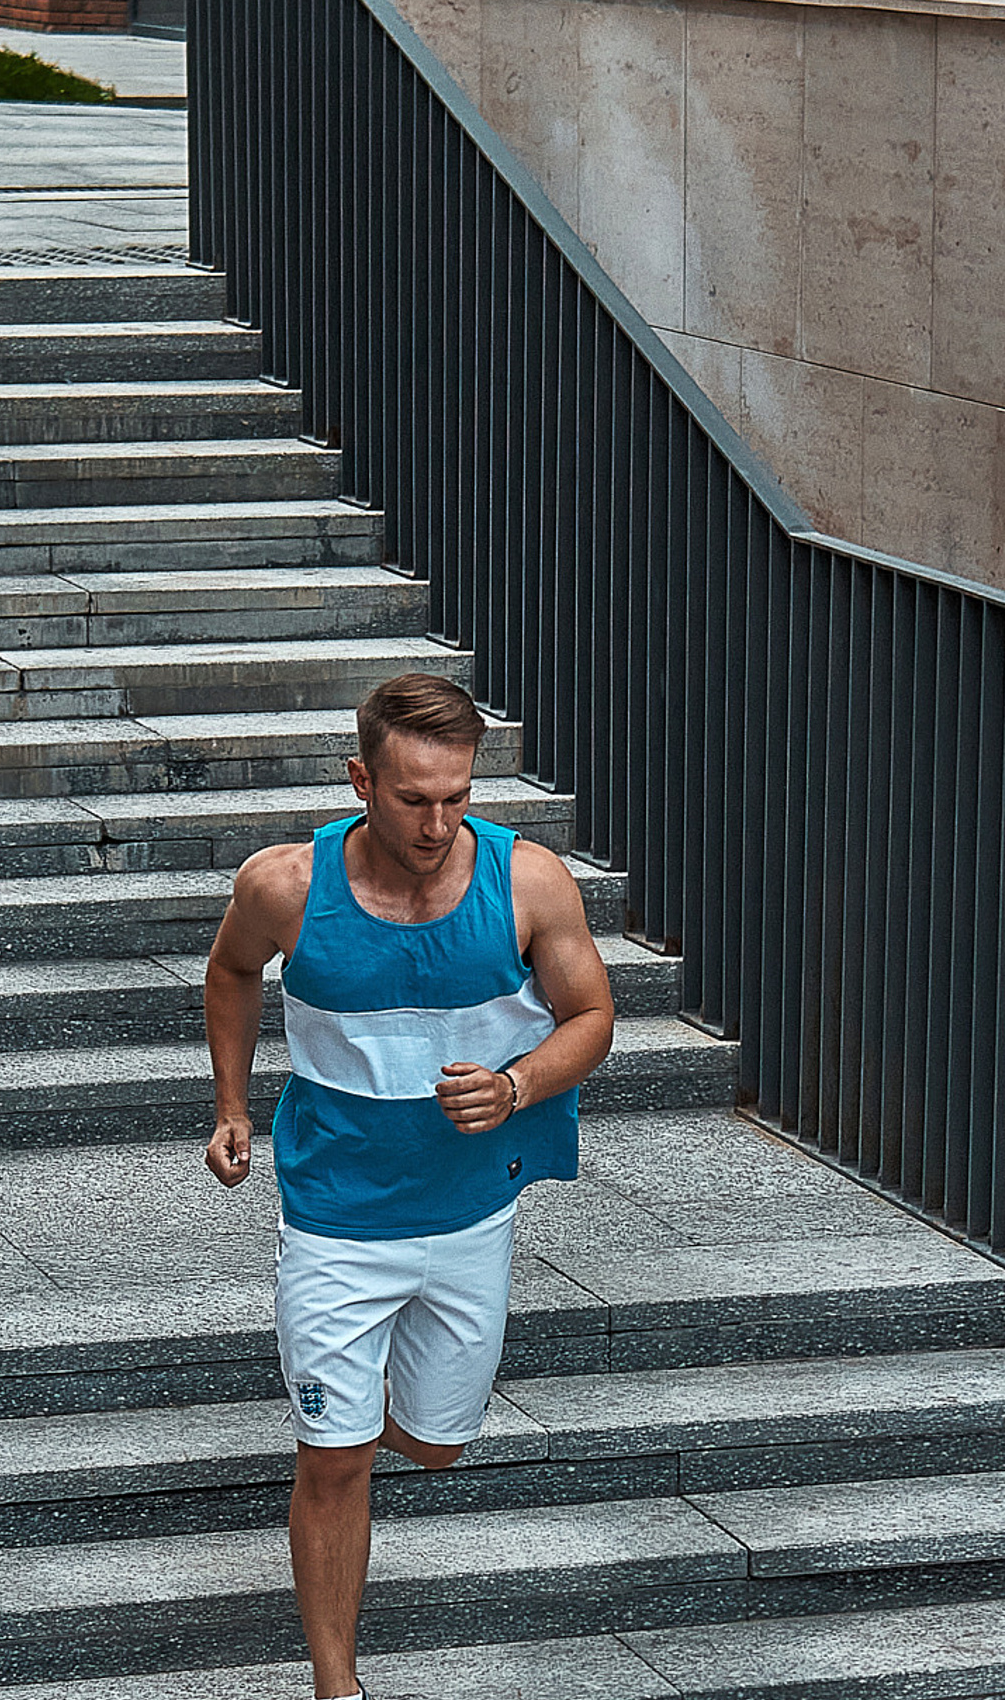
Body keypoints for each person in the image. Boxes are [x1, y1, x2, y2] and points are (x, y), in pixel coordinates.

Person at [203, 672, 615, 1700]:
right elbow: (230, 971)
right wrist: (233, 1107)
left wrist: (517, 1085)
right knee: (335, 1459)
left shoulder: (529, 885)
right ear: (361, 781)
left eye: (457, 797)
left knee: (431, 1448)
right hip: (337, 1216)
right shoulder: (284, 887)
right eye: (412, 798)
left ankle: (357, 1398)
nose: (437, 823)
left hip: (473, 1211)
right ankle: (336, 1685)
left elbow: (594, 1016)